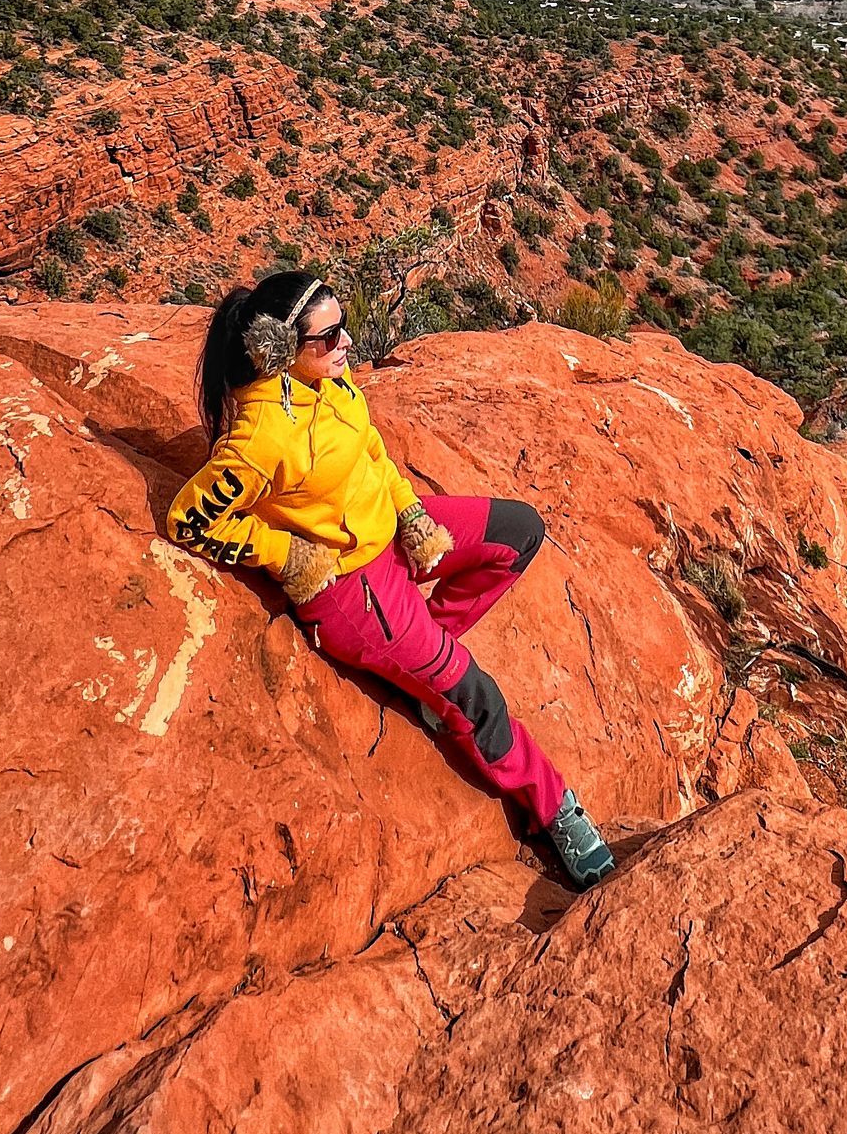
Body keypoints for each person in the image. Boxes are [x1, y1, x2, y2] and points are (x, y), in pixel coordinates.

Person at [166, 267, 617, 890]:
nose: (346, 344)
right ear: (278, 349)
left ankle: (427, 659)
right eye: (328, 338)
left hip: (390, 536)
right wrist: (282, 551)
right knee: (475, 695)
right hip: (352, 591)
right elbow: (189, 520)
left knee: (519, 533)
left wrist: (409, 512)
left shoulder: (334, 381)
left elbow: (371, 447)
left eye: (344, 328)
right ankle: (554, 809)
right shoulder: (260, 436)